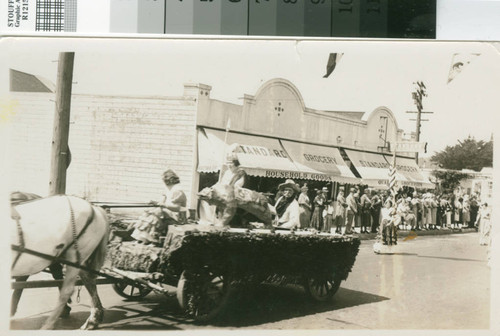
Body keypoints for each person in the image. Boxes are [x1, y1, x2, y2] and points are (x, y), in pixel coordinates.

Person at [131, 169, 187, 244]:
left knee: (155, 216)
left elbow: (177, 208)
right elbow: (161, 202)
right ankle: (142, 238)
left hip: (177, 217)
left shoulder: (177, 190)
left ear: (169, 180)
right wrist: (155, 202)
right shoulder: (167, 189)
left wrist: (164, 205)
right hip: (168, 213)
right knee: (150, 213)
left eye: (165, 179)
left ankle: (151, 240)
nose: (164, 182)